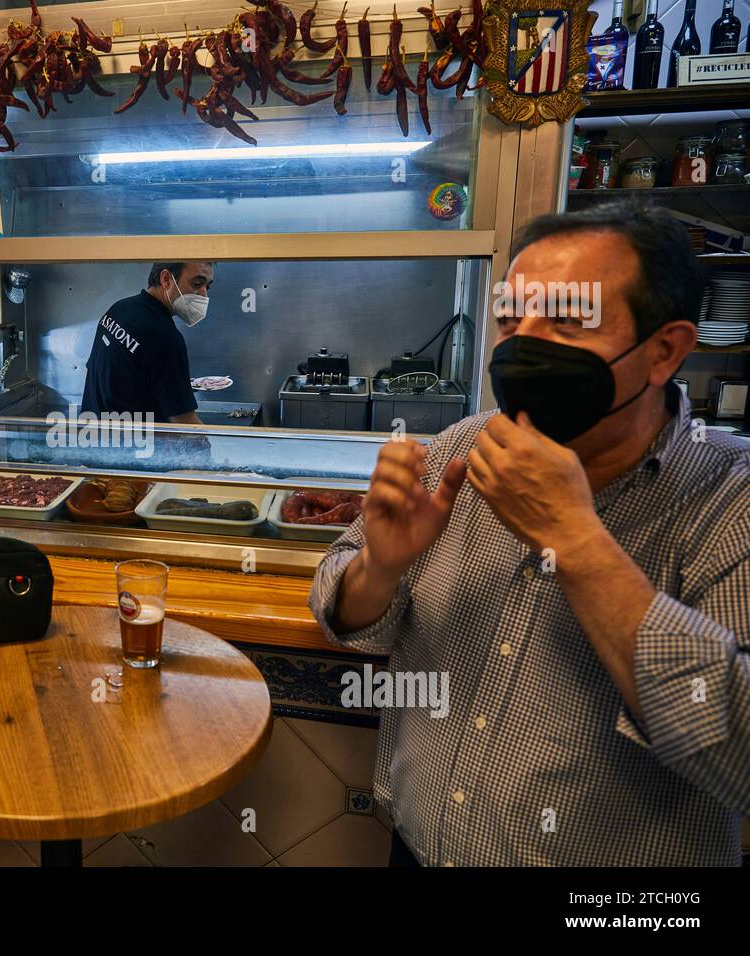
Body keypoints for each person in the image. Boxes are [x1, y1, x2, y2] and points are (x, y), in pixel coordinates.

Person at [310, 201, 748, 866]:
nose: (522, 347)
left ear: (666, 351)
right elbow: (340, 607)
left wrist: (574, 540)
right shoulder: (463, 443)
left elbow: (738, 754)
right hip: (417, 849)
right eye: (512, 319)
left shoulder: (730, 502)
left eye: (568, 322)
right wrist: (381, 567)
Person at [80, 262, 213, 424]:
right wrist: (210, 445)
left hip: (92, 437)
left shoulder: (119, 309)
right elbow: (184, 421)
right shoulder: (165, 337)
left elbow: (90, 371)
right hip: (131, 446)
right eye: (197, 284)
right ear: (166, 279)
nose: (204, 295)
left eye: (208, 287)